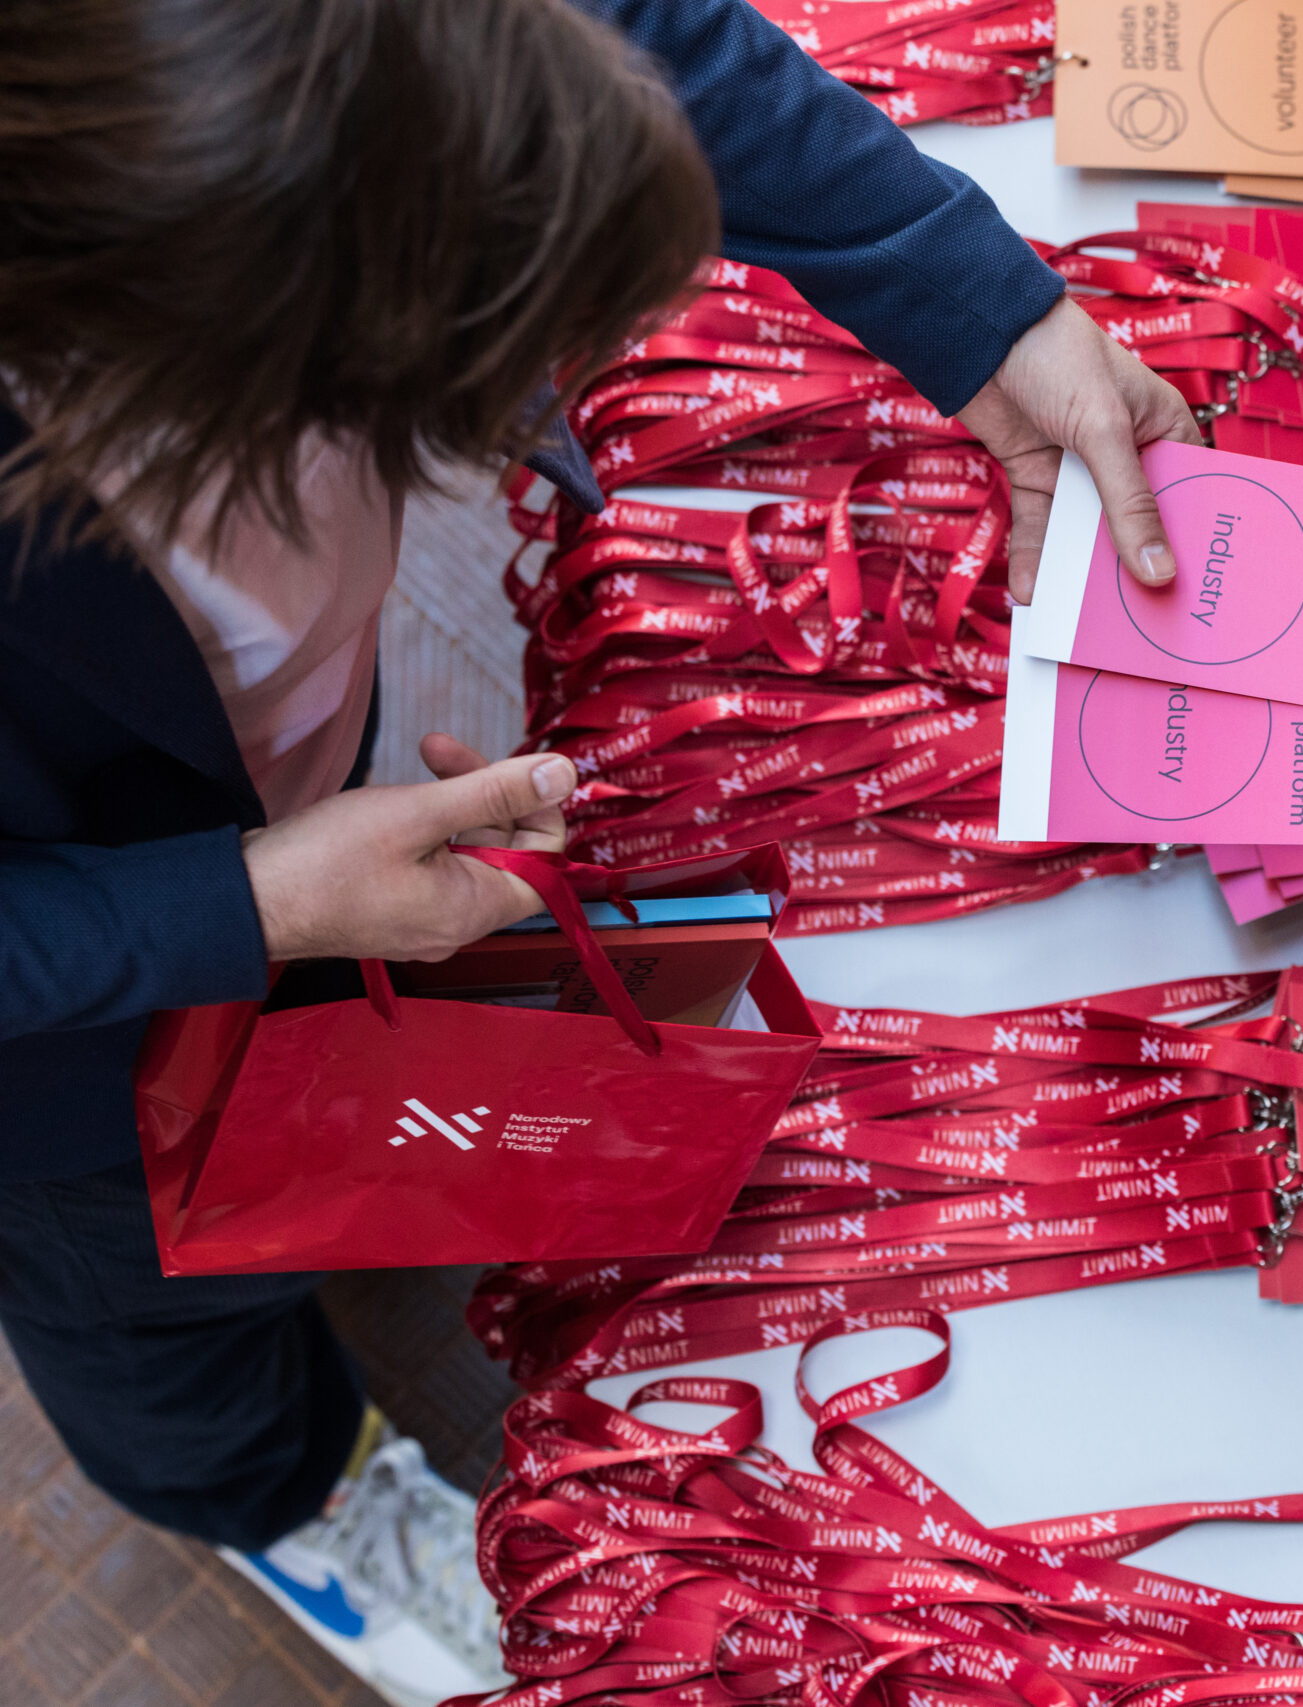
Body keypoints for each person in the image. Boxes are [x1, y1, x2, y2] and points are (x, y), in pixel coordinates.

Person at [0, 2, 1194, 1702]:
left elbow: (645, 33)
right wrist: (247, 901)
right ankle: (280, 1494)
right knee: (151, 1296)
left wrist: (990, 307)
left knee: (332, 1098)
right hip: (57, 1066)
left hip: (262, 774)